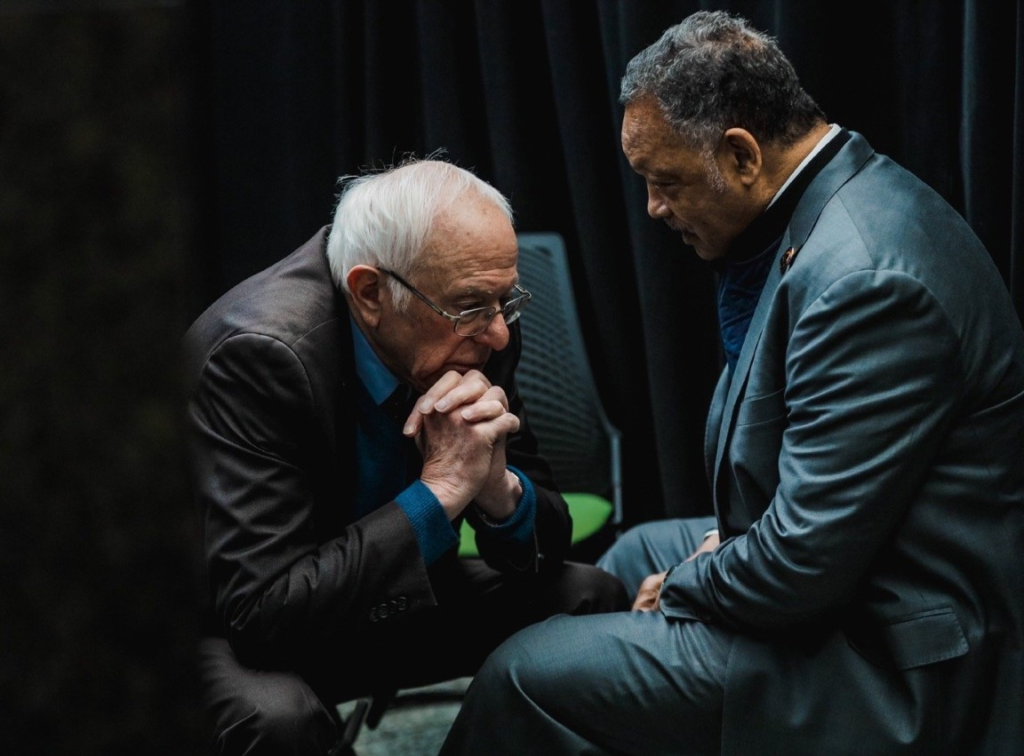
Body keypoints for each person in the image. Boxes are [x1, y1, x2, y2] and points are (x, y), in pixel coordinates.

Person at [439, 10, 1024, 755]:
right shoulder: (827, 208)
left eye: (666, 182)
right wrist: (706, 561)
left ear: (742, 155)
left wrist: (687, 583)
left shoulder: (865, 282)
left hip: (893, 657)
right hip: (853, 573)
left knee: (522, 674)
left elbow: (799, 567)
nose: (653, 209)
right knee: (630, 555)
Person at [182, 157, 629, 755]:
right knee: (279, 722)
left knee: (588, 598)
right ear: (370, 293)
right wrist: (440, 491)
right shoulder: (260, 355)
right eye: (472, 305)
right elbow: (263, 615)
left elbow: (546, 539)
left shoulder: (481, 326)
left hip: (378, 587)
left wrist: (499, 491)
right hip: (234, 622)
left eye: (505, 301)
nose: (498, 332)